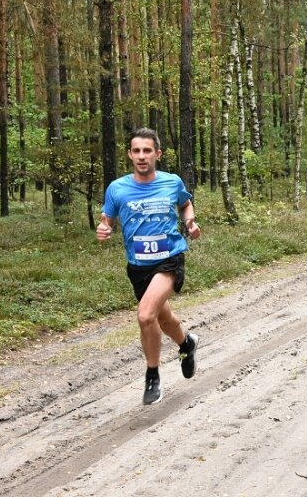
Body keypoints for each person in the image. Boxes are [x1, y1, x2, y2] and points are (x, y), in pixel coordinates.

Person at [97, 127, 201, 405]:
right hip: (138, 266)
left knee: (145, 316)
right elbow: (107, 219)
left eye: (147, 151)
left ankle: (152, 375)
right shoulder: (117, 188)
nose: (142, 156)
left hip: (169, 259)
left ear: (157, 154)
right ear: (130, 155)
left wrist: (190, 222)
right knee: (163, 319)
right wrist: (103, 228)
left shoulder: (171, 182)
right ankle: (186, 344)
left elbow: (186, 203)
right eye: (136, 151)